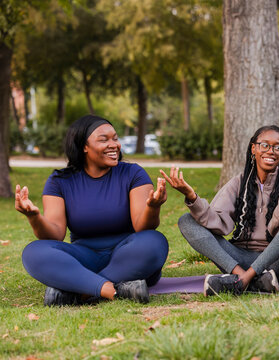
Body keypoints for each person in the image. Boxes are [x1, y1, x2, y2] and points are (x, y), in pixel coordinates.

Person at [16, 115, 169, 306]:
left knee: (154, 242)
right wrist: (34, 216)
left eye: (115, 138)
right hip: (83, 258)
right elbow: (54, 235)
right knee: (34, 252)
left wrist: (153, 207)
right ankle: (113, 290)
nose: (114, 145)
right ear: (83, 147)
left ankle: (79, 292)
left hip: (129, 255)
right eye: (104, 140)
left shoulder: (133, 173)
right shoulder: (60, 181)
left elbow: (142, 227)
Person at [163, 125, 279, 296]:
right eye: (265, 145)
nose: (271, 151)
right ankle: (250, 279)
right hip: (238, 259)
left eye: (277, 147)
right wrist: (191, 196)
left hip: (276, 263)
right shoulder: (238, 183)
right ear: (253, 148)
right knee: (187, 220)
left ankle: (239, 281)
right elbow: (216, 223)